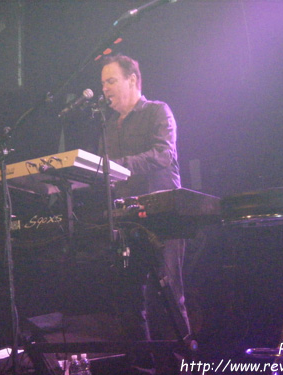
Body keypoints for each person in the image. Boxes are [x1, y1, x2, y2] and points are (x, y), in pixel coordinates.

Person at [99, 54, 191, 374]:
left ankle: (180, 367)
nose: (105, 89)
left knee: (167, 296)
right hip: (128, 219)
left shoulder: (157, 111)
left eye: (111, 81)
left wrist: (120, 165)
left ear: (133, 80)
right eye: (102, 84)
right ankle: (142, 366)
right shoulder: (109, 126)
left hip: (163, 216)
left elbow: (164, 154)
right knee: (127, 300)